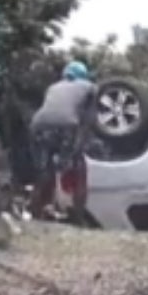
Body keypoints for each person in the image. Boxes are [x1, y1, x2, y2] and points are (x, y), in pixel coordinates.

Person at [27, 62, 97, 223]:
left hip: (37, 126)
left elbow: (52, 109)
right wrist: (79, 144)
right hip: (66, 126)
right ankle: (79, 217)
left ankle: (35, 212)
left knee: (44, 172)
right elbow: (89, 119)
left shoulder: (52, 87)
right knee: (79, 171)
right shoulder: (90, 87)